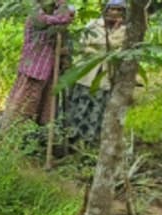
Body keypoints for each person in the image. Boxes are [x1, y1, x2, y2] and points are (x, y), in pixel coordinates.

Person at [1, 0, 73, 129]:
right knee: (24, 105)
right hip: (34, 69)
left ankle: (37, 137)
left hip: (48, 70)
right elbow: (63, 18)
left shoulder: (53, 16)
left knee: (44, 108)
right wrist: (62, 4)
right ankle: (12, 135)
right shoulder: (35, 15)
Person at [64, 0, 125, 146]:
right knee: (81, 104)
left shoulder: (126, 30)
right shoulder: (93, 25)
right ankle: (72, 139)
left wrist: (100, 47)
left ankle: (91, 141)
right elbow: (83, 45)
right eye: (112, 9)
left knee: (99, 108)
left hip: (107, 74)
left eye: (119, 10)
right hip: (87, 72)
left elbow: (121, 50)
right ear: (106, 10)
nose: (114, 13)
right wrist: (103, 49)